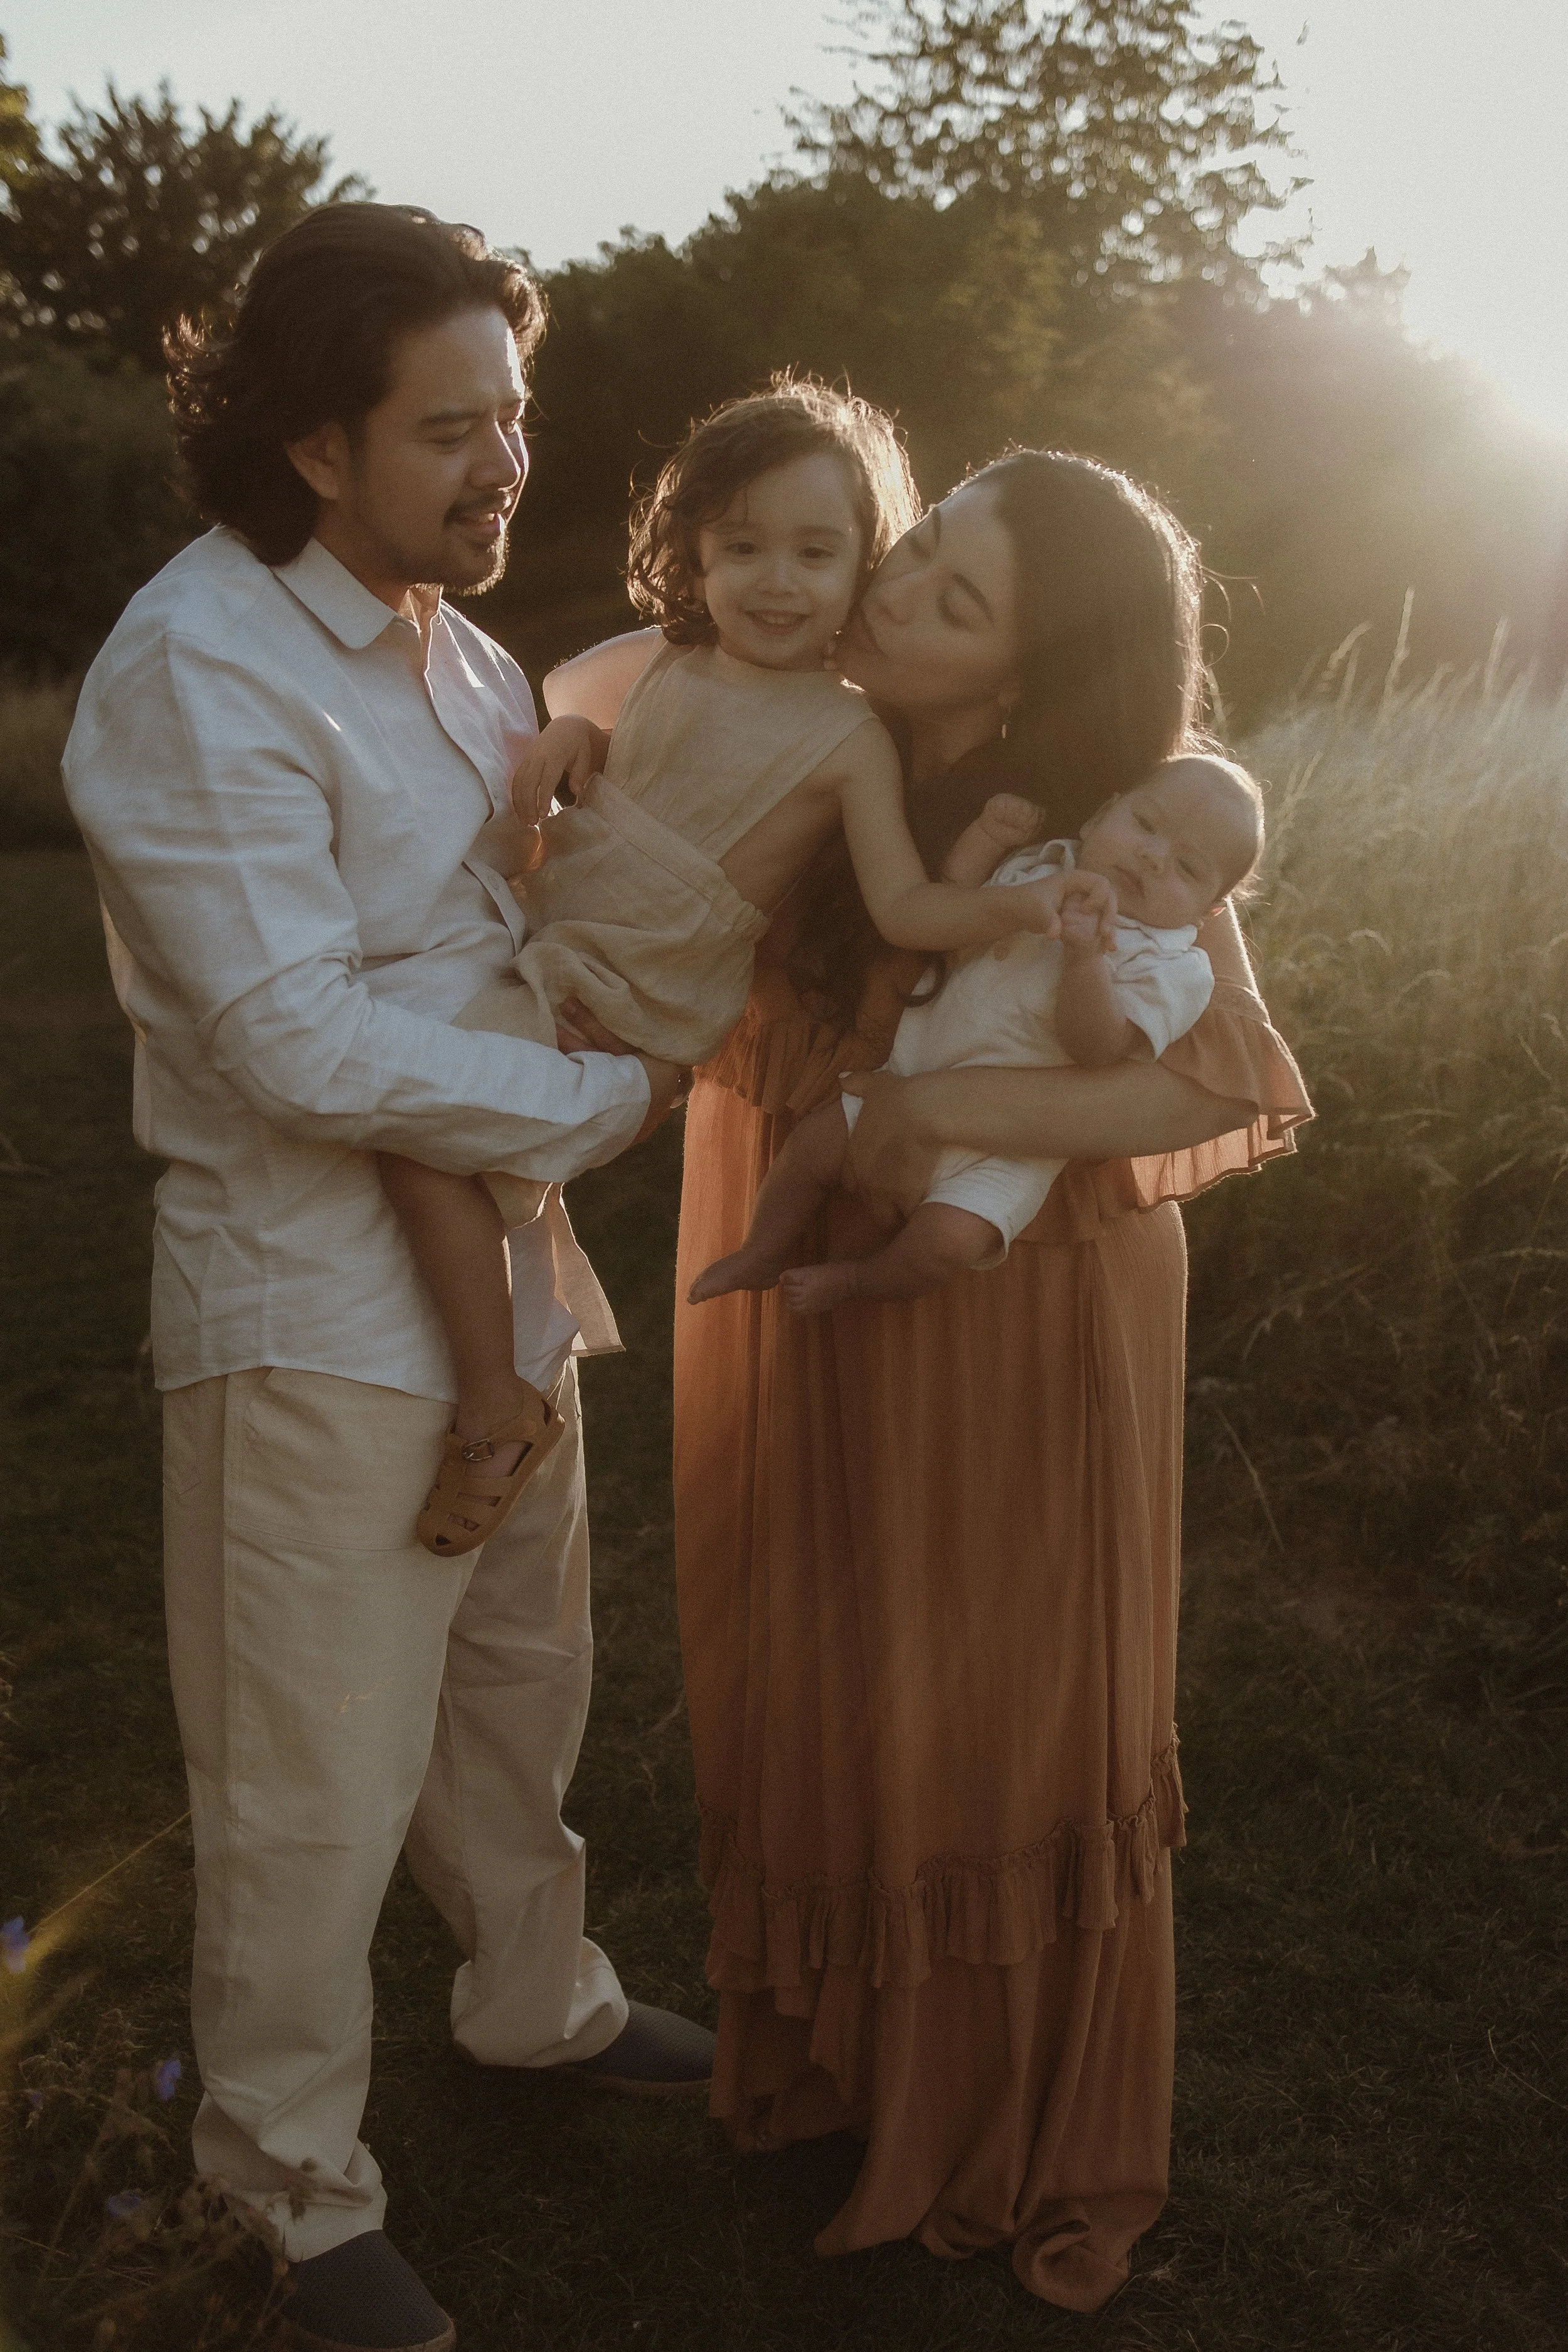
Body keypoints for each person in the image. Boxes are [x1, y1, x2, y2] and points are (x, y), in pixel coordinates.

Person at [62, 204, 712, 2352]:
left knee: (518, 1701)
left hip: (503, 1286)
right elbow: (292, 1040)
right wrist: (610, 1106)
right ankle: (283, 2185)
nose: (505, 465)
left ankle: (540, 2006)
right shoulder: (199, 667)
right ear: (313, 443)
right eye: (452, 430)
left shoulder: (467, 653)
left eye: (512, 421)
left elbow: (486, 942)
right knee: (313, 1775)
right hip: (305, 1310)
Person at [660, 451, 1313, 2310]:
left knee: (987, 1685)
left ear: (1042, 661)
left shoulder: (1122, 814)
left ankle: (990, 2105)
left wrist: (932, 1104)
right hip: (822, 1199)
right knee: (841, 1642)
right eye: (918, 546)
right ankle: (849, 2062)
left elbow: (1203, 1088)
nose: (894, 593)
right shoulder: (789, 704)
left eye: (955, 600)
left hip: (1020, 1283)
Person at [383, 380, 1097, 1557]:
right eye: (743, 546)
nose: (777, 581)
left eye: (817, 553)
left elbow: (908, 904)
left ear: (865, 560)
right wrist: (579, 740)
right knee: (454, 1136)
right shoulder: (669, 662)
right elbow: (641, 765)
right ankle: (498, 1356)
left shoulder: (852, 736)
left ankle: (495, 1405)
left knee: (418, 1144)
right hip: (564, 952)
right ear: (693, 552)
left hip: (644, 996)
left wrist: (1019, 900)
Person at [689, 752, 1264, 1313]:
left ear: (1209, 912)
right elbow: (954, 913)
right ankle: (761, 1253)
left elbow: (1100, 1049)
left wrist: (1086, 959)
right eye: (1145, 824)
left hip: (1007, 1148)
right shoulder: (1043, 867)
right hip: (908, 1074)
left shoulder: (1175, 967)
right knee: (809, 1149)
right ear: (1099, 816)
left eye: (1188, 866)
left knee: (947, 1244)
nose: (1153, 857)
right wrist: (987, 840)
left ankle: (861, 1281)